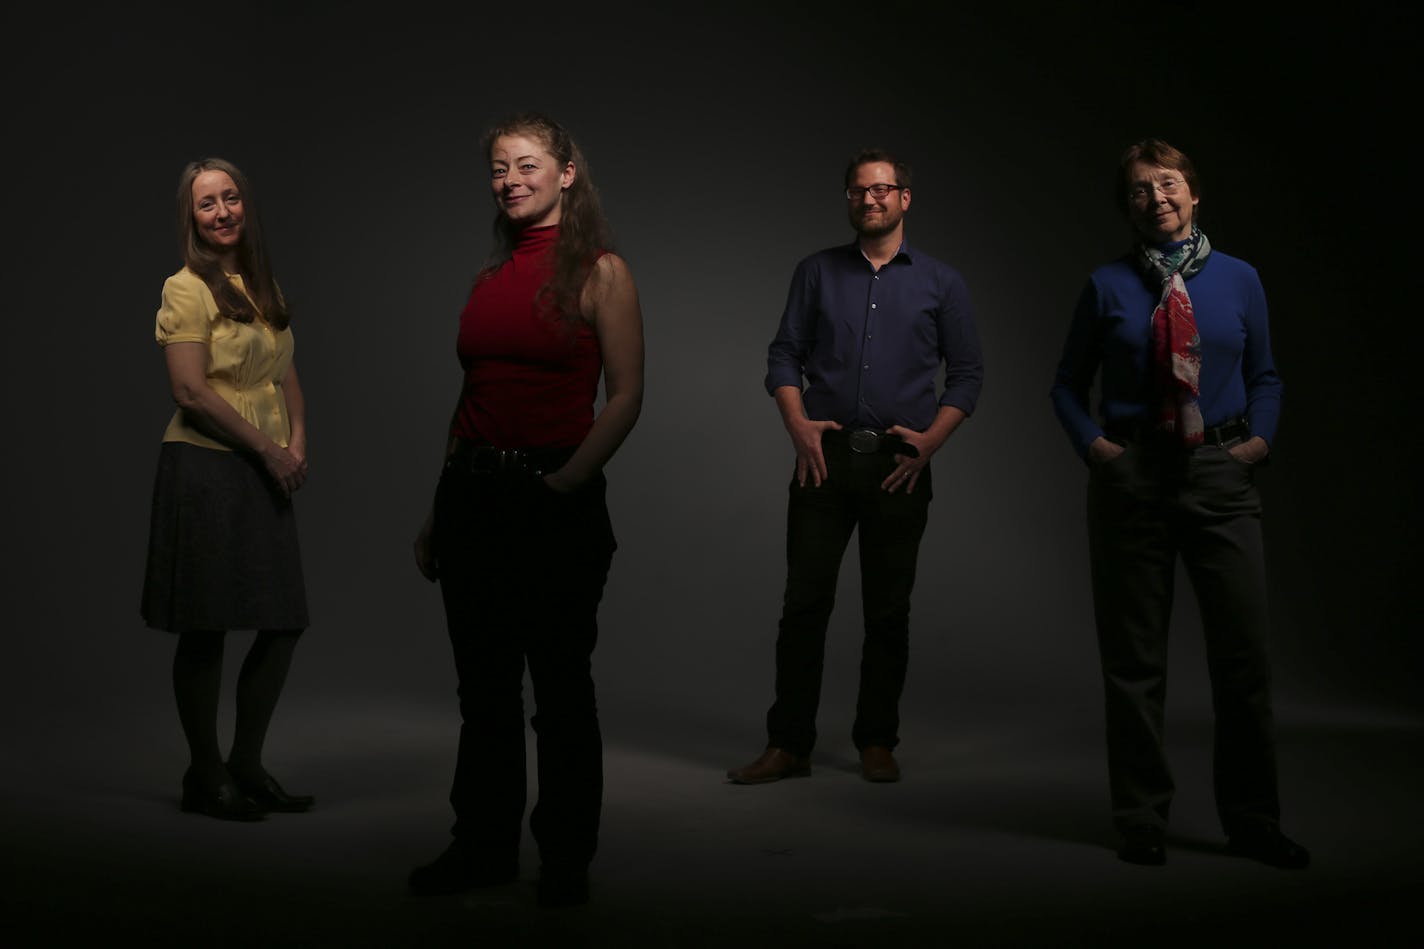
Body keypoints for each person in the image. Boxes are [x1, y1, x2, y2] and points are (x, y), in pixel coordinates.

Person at [1049, 137, 1309, 869]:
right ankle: (1141, 818)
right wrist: (1099, 449)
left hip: (1220, 478)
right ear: (1127, 207)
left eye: (1167, 184)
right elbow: (1066, 384)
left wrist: (1257, 442)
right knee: (1134, 664)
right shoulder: (1106, 286)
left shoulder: (1240, 279)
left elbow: (1266, 374)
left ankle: (1253, 820)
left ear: (1194, 194)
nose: (1155, 197)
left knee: (1243, 662)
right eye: (1138, 189)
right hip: (1134, 480)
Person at [408, 112, 644, 908]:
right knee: (484, 692)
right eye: (499, 167)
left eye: (526, 163)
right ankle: (482, 847)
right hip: (471, 495)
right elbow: (471, 395)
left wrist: (568, 482)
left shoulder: (601, 271)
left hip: (552, 498)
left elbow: (628, 395)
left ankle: (566, 858)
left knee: (561, 690)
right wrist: (441, 510)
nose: (510, 178)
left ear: (567, 172)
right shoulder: (487, 279)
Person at [726, 148, 983, 786]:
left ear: (904, 199)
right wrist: (797, 425)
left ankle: (876, 740)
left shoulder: (941, 283)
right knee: (804, 605)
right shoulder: (815, 273)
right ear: (848, 199)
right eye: (859, 190)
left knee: (887, 611)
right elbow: (783, 355)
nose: (870, 199)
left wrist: (931, 443)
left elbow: (969, 374)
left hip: (901, 463)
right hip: (824, 460)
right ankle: (788, 745)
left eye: (883, 189)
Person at [140, 157, 314, 822]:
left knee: (283, 619)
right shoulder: (185, 288)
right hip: (208, 465)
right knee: (207, 625)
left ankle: (246, 763)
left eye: (230, 197)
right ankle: (205, 773)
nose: (221, 212)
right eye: (206, 204)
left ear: (245, 204)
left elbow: (284, 372)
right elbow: (189, 390)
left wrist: (298, 442)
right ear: (191, 219)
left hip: (265, 465)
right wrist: (272, 450)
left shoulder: (259, 283)